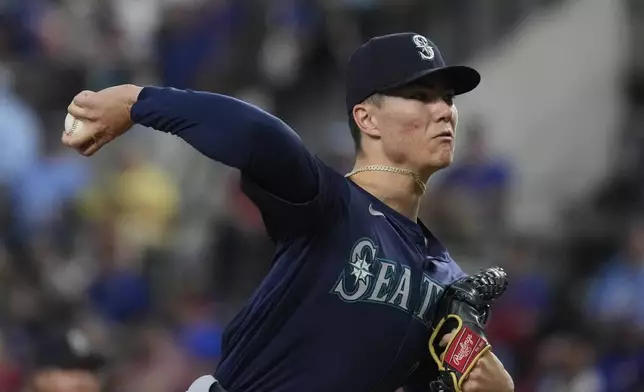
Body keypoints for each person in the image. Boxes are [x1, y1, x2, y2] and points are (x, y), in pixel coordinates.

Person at [62, 32, 513, 392]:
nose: (445, 111)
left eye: (448, 98)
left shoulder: (446, 280)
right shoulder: (333, 206)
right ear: (367, 119)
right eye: (421, 95)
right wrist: (137, 102)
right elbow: (261, 136)